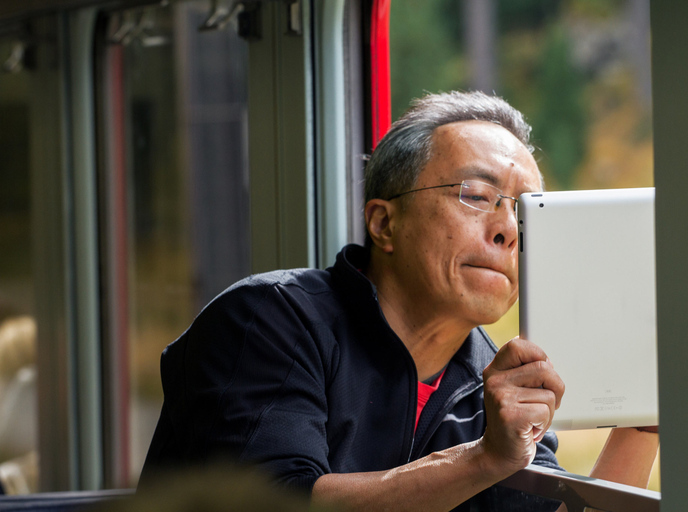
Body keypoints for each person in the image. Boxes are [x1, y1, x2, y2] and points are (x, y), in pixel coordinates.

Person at [139, 91, 659, 511]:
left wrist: (649, 410)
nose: (508, 230)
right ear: (385, 223)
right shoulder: (269, 319)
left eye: (526, 214)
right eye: (477, 196)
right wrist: (483, 459)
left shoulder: (495, 381)